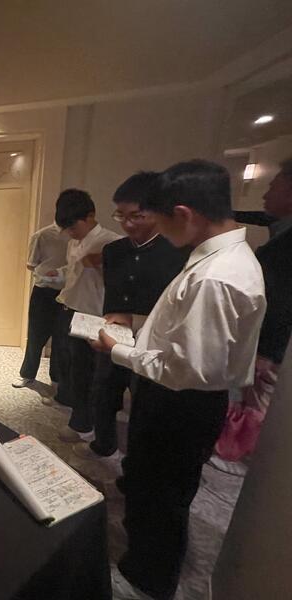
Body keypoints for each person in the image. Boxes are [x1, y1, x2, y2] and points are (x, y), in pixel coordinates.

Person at [94, 160, 266, 600]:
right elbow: (187, 332)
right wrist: (135, 322)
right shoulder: (223, 259)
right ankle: (146, 562)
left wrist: (118, 351)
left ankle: (147, 579)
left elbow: (190, 369)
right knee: (153, 487)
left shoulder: (216, 277)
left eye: (159, 219)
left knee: (161, 497)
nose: (157, 229)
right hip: (181, 397)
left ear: (184, 214)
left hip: (180, 401)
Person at [77, 172, 189, 461]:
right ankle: (103, 445)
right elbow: (112, 294)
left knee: (145, 405)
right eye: (121, 216)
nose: (127, 224)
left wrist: (134, 319)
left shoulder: (181, 253)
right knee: (102, 394)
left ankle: (137, 463)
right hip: (112, 339)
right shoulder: (113, 251)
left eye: (137, 216)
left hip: (154, 345)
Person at [214, 156, 292, 465]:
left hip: (270, 348)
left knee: (256, 409)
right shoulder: (281, 225)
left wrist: (267, 351)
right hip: (260, 342)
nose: (266, 191)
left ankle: (247, 461)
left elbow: (283, 304)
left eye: (275, 185)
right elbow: (261, 216)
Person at [52, 189, 122, 439]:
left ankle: (83, 425)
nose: (71, 232)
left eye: (73, 226)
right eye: (67, 229)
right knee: (70, 365)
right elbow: (74, 274)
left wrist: (100, 265)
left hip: (94, 315)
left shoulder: (111, 242)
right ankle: (76, 411)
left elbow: (119, 284)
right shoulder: (74, 242)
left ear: (90, 215)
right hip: (70, 307)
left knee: (89, 373)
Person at [11, 219, 69, 392]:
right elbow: (31, 264)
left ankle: (57, 379)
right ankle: (27, 374)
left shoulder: (78, 236)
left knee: (61, 338)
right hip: (44, 291)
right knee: (36, 335)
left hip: (68, 292)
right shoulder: (42, 235)